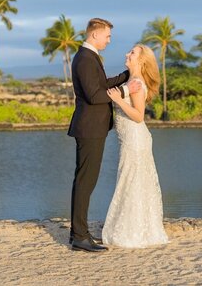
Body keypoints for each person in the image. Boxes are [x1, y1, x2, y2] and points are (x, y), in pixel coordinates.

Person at [67, 18, 140, 253]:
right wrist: (127, 90)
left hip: (93, 128)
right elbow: (95, 96)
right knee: (85, 182)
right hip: (89, 128)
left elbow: (102, 85)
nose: (109, 40)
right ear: (95, 35)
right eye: (107, 36)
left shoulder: (90, 56)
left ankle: (78, 233)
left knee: (86, 181)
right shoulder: (85, 59)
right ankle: (80, 236)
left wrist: (125, 75)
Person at [102, 44, 169, 248]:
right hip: (128, 138)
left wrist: (118, 100)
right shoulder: (129, 80)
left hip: (136, 138)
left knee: (132, 180)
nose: (127, 53)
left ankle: (134, 231)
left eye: (132, 52)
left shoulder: (137, 83)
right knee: (131, 180)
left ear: (141, 60)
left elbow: (139, 116)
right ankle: (135, 227)